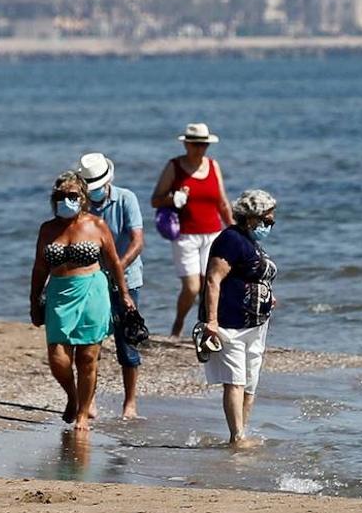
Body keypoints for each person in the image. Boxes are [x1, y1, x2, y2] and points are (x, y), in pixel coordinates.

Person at [29, 172, 136, 433]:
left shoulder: (97, 225)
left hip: (91, 291)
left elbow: (113, 262)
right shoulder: (47, 229)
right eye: (60, 196)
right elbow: (40, 267)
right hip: (58, 294)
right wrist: (34, 301)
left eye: (72, 196)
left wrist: (124, 294)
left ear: (83, 198)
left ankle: (82, 415)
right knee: (58, 359)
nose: (66, 200)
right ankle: (73, 396)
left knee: (88, 358)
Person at [201, 190, 279, 448]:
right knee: (235, 380)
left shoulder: (252, 242)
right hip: (229, 323)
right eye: (266, 221)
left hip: (256, 325)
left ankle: (242, 432)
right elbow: (213, 279)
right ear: (250, 219)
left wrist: (268, 296)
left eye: (272, 222)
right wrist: (211, 321)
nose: (270, 226)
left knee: (250, 383)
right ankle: (237, 437)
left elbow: (254, 275)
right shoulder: (231, 240)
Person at [77, 152, 146, 419]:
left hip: (128, 279)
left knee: (127, 342)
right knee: (90, 343)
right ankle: (89, 399)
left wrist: (117, 266)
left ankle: (130, 402)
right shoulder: (81, 207)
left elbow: (137, 241)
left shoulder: (126, 198)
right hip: (91, 281)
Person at [150, 122, 233, 338]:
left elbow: (222, 203)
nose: (199, 148)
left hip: (213, 234)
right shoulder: (174, 167)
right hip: (185, 235)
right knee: (192, 287)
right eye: (195, 144)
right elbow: (155, 200)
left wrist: (235, 230)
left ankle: (206, 327)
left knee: (211, 285)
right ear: (186, 144)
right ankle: (178, 324)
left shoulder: (213, 166)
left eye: (203, 144)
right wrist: (173, 198)